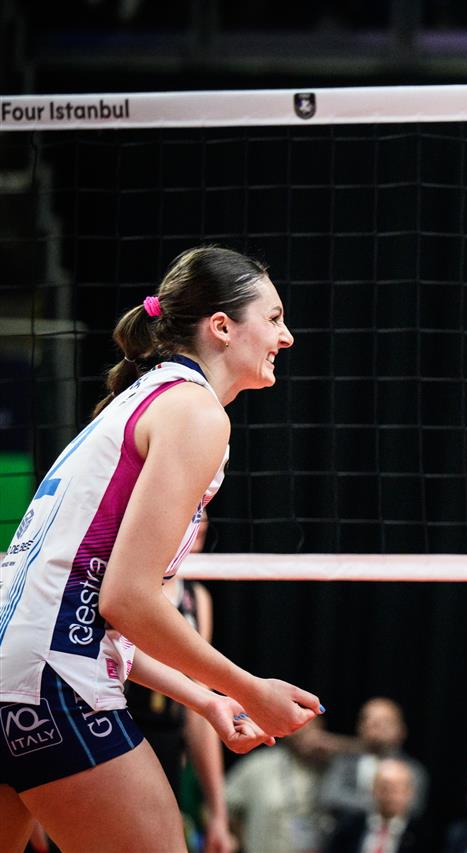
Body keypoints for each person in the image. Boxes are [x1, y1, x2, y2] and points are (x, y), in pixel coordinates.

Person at [0, 245, 322, 853]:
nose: (287, 336)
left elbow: (84, 610)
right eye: (274, 317)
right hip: (52, 683)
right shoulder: (195, 412)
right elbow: (126, 601)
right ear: (222, 326)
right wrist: (251, 690)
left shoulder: (140, 399)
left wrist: (206, 700)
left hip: (16, 673)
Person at [124, 514, 234, 853]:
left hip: (168, 742)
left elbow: (203, 707)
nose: (202, 520)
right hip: (115, 732)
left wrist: (218, 812)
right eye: (193, 512)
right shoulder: (121, 586)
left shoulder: (196, 598)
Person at [225, 716, 334, 853]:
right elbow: (222, 806)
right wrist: (243, 841)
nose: (305, 733)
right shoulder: (260, 764)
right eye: (299, 726)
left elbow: (361, 752)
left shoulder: (334, 766)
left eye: (310, 724)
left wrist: (335, 746)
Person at [319, 697, 428, 823]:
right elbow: (330, 797)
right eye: (367, 719)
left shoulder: (412, 770)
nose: (373, 725)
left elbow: (413, 808)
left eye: (384, 721)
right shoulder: (345, 762)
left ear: (401, 730)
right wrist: (385, 804)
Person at [326, 757, 430, 853]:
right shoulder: (349, 827)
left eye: (397, 789)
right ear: (373, 789)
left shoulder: (423, 835)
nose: (390, 795)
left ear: (409, 792)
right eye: (385, 788)